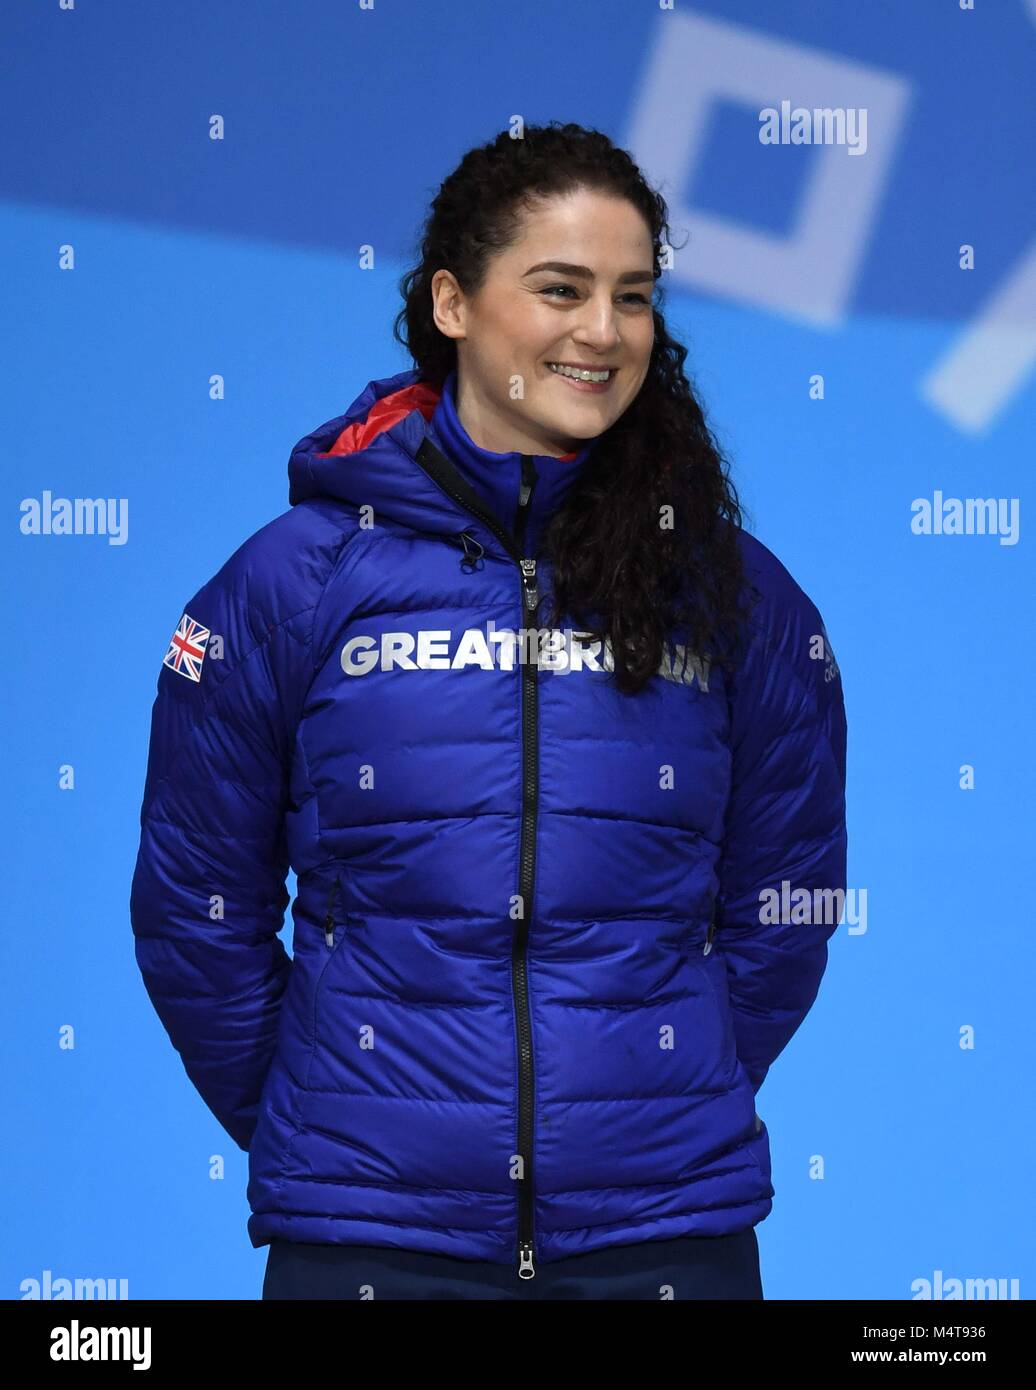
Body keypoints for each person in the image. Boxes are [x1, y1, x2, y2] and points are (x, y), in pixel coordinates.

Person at [129, 121, 847, 1301]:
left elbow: (790, 903)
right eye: (559, 288)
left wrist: (662, 1090)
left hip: (663, 1238)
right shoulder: (290, 582)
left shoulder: (732, 593)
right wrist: (335, 1118)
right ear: (453, 304)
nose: (602, 332)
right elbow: (192, 910)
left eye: (632, 295)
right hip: (369, 1241)